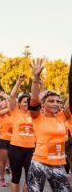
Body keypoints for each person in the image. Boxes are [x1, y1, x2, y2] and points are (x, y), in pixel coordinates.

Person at [27, 58, 71, 192]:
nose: (56, 103)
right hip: (40, 163)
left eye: (58, 101)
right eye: (51, 101)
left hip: (59, 165)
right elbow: (34, 99)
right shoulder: (37, 116)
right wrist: (36, 77)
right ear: (43, 104)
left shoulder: (63, 115)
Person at [8, 74, 35, 192]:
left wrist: (38, 81)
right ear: (19, 103)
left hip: (30, 150)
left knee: (29, 178)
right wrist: (18, 81)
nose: (26, 104)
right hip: (16, 149)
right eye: (24, 102)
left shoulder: (34, 114)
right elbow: (12, 96)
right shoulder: (15, 111)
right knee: (16, 177)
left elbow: (40, 97)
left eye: (28, 102)